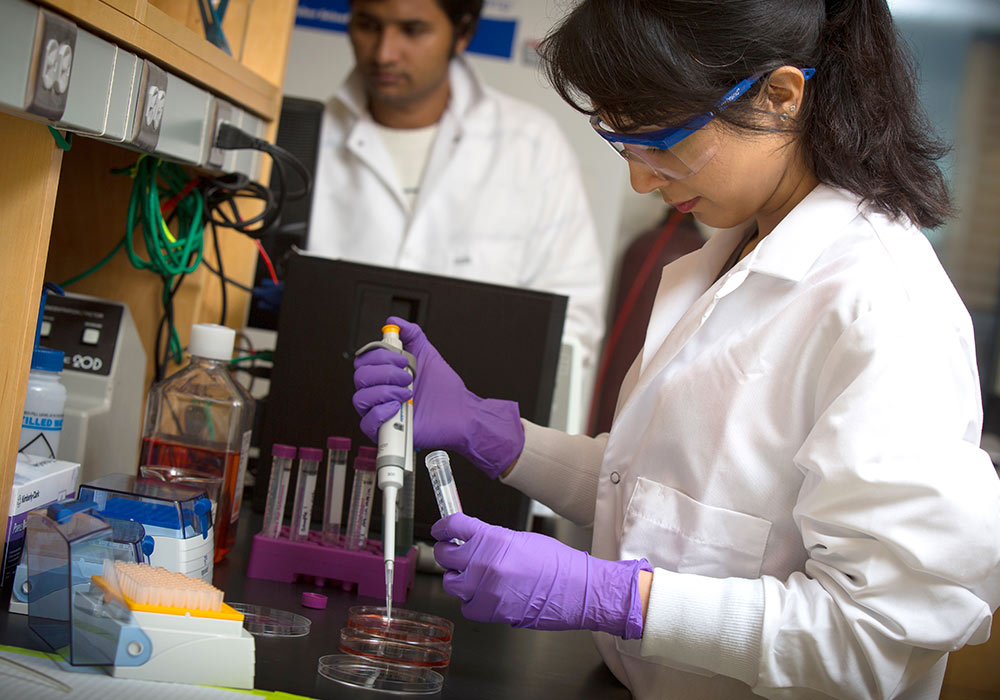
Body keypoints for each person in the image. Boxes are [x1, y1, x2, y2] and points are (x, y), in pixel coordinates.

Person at [352, 1, 1000, 698]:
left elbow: (875, 639)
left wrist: (616, 598)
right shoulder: (731, 254)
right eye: (620, 140)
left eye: (662, 138)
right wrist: (496, 434)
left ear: (780, 96)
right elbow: (667, 497)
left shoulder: (883, 305)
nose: (640, 178)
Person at [306, 0, 605, 367]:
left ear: (462, 32)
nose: (384, 53)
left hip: (478, 415)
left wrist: (486, 412)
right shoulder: (307, 139)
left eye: (413, 30)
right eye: (368, 25)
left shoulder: (530, 144)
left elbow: (572, 325)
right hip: (320, 398)